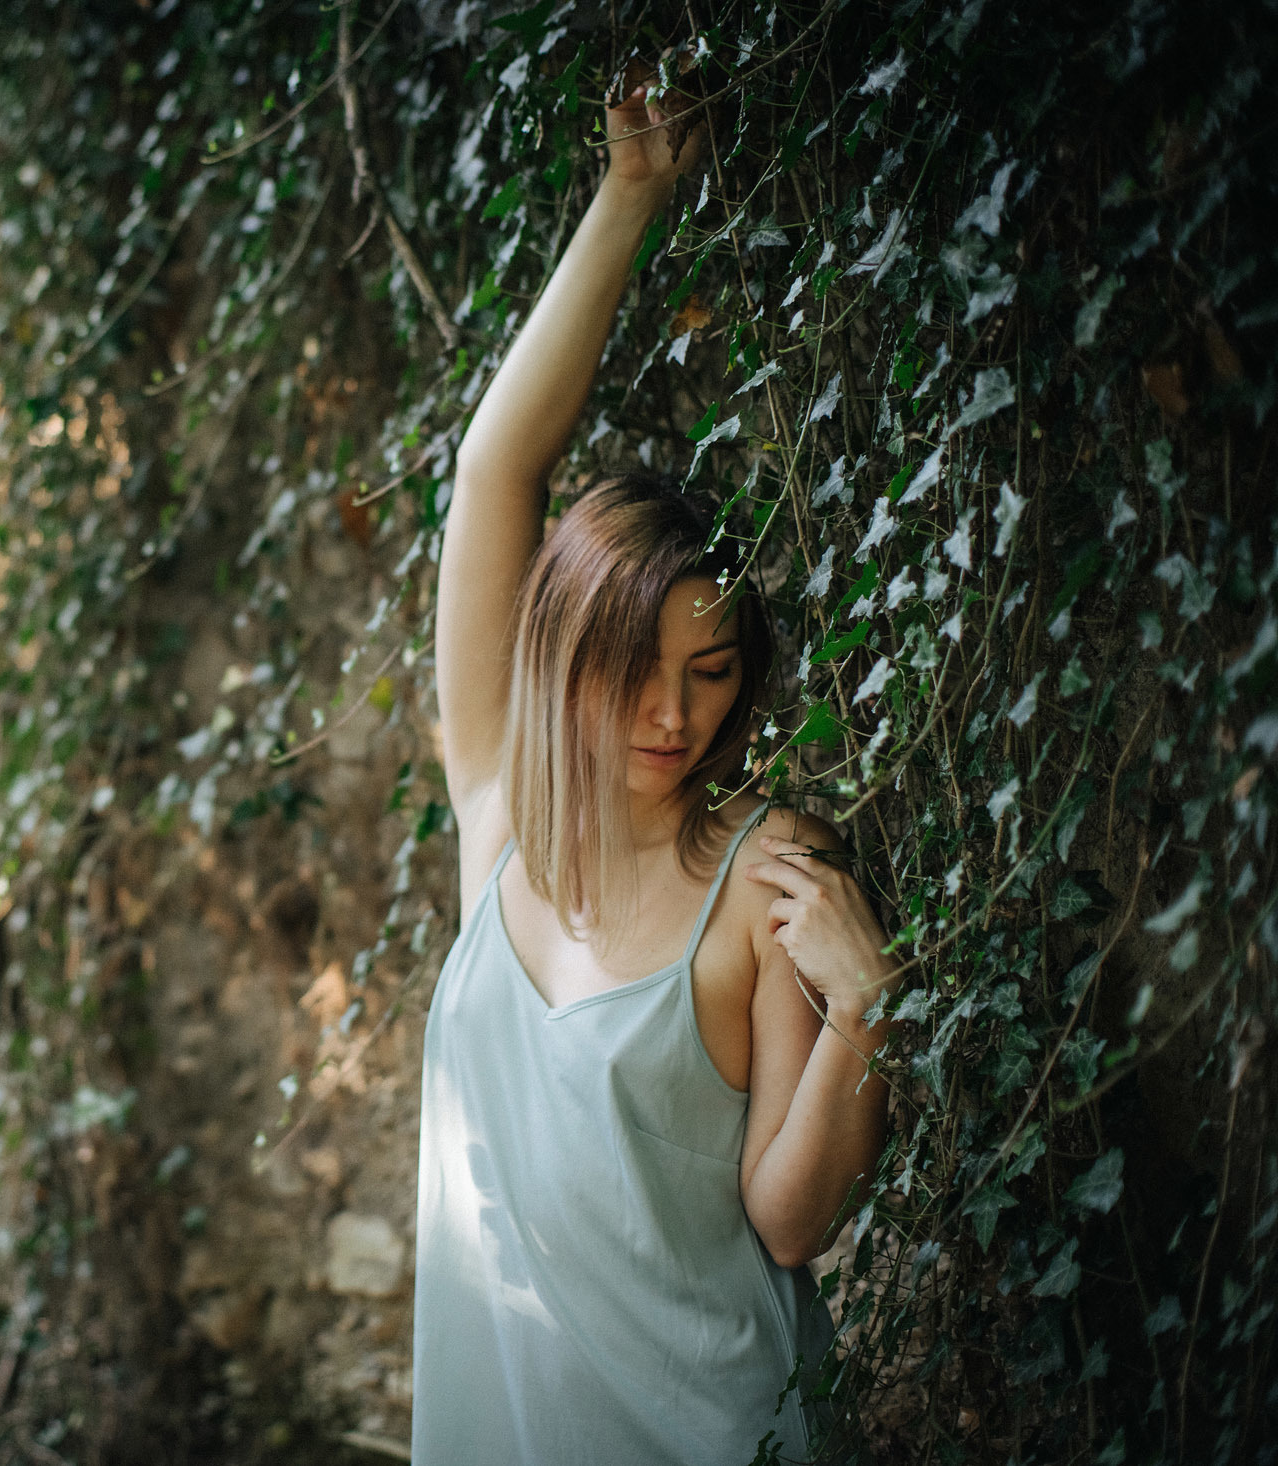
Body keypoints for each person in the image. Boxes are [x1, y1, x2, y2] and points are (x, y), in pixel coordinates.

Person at [409, 68, 903, 1465]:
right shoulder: (499, 808)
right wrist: (631, 195)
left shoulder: (761, 871)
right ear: (562, 646)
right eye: (637, 665)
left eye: (712, 670)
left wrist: (866, 1013)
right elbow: (497, 471)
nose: (673, 714)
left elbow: (790, 1221)